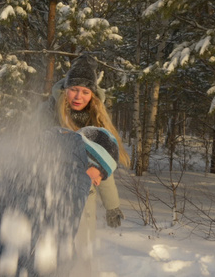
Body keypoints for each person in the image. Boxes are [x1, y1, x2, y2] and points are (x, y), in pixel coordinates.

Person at [0, 126, 119, 277]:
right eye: (102, 174)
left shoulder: (40, 153)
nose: (98, 182)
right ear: (93, 158)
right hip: (13, 267)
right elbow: (57, 242)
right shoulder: (74, 176)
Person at [37, 53, 130, 269]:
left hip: (83, 200)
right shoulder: (47, 112)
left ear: (93, 95)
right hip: (49, 194)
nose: (78, 96)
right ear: (65, 89)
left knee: (80, 258)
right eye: (74, 89)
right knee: (48, 255)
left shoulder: (97, 123)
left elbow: (103, 165)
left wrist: (112, 206)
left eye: (85, 91)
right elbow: (33, 148)